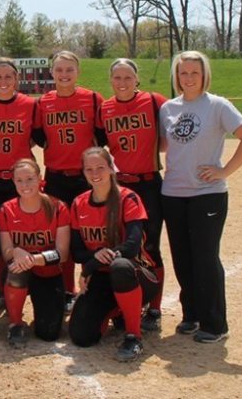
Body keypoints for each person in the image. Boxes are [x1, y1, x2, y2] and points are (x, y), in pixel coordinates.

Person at [160, 51, 242, 343]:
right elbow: (167, 146)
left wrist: (224, 170)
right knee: (183, 257)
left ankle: (215, 323)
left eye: (194, 72)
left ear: (204, 75)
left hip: (207, 194)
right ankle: (191, 314)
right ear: (176, 76)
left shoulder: (217, 105)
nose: (188, 78)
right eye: (183, 73)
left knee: (205, 258)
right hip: (173, 193)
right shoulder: (168, 108)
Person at [68, 147, 159, 362]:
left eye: (100, 167)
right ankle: (117, 310)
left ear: (111, 168)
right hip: (101, 277)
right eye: (89, 169)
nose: (95, 173)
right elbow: (77, 251)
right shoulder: (79, 203)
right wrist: (95, 256)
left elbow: (132, 246)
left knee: (119, 266)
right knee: (81, 336)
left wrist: (91, 265)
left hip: (136, 274)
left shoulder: (128, 198)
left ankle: (133, 336)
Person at [98, 58, 168, 331]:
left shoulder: (153, 101)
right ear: (111, 80)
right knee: (120, 243)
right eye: (117, 78)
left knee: (150, 246)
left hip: (148, 183)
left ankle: (155, 307)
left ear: (137, 79)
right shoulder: (105, 108)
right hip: (119, 188)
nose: (123, 82)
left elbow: (169, 136)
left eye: (128, 77)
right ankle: (124, 300)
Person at [33, 51, 104, 308]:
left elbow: (101, 136)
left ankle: (91, 288)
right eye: (59, 70)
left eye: (69, 70)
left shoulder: (93, 99)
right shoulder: (43, 102)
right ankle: (66, 291)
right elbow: (41, 138)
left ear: (78, 72)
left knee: (89, 235)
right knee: (59, 236)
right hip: (56, 177)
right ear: (52, 73)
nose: (64, 75)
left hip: (87, 178)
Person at [0, 159, 70, 347]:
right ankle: (15, 323)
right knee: (16, 268)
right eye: (19, 180)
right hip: (20, 270)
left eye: (30, 179)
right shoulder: (7, 210)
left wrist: (32, 259)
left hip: (48, 271)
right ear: (13, 182)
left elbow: (62, 254)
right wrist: (16, 251)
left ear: (40, 178)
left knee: (49, 334)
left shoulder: (58, 207)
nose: (25, 185)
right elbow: (6, 252)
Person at [0, 58, 36, 222]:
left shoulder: (30, 104)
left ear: (16, 79)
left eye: (8, 77)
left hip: (20, 179)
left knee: (22, 227)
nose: (3, 81)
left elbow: (39, 136)